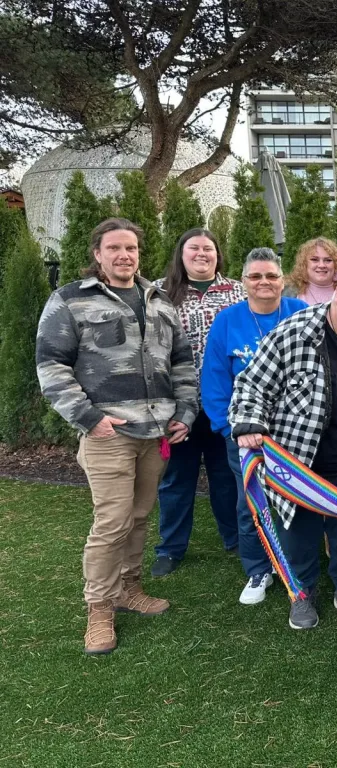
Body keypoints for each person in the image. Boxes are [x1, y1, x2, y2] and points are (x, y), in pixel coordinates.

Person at [36, 218, 197, 655]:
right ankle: (99, 609)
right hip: (108, 434)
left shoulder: (161, 300)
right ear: (98, 254)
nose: (125, 255)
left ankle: (129, 589)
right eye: (115, 248)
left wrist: (184, 411)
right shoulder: (70, 301)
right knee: (111, 523)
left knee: (140, 516)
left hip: (155, 432)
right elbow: (51, 366)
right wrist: (89, 417)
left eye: (131, 248)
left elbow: (181, 361)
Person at [229, 265, 337, 630]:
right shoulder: (294, 332)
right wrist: (248, 421)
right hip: (299, 460)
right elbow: (251, 384)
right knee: (298, 530)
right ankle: (302, 592)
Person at [202, 248, 306, 605]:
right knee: (251, 503)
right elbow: (214, 380)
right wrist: (226, 428)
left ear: (283, 281)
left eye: (272, 276)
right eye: (256, 277)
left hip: (294, 432)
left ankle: (295, 563)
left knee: (295, 499)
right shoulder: (227, 321)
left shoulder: (300, 313)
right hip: (245, 434)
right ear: (243, 282)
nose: (264, 283)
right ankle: (258, 569)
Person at [149, 229, 245, 578]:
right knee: (177, 479)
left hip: (225, 404)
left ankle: (235, 539)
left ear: (218, 254)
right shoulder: (159, 292)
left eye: (209, 248)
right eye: (194, 247)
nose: (202, 253)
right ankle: (170, 548)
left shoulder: (239, 291)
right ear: (181, 253)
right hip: (179, 406)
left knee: (225, 477)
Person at [286, 237, 337, 305]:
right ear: (304, 263)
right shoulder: (290, 293)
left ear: (336, 265)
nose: (322, 265)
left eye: (328, 260)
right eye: (314, 260)